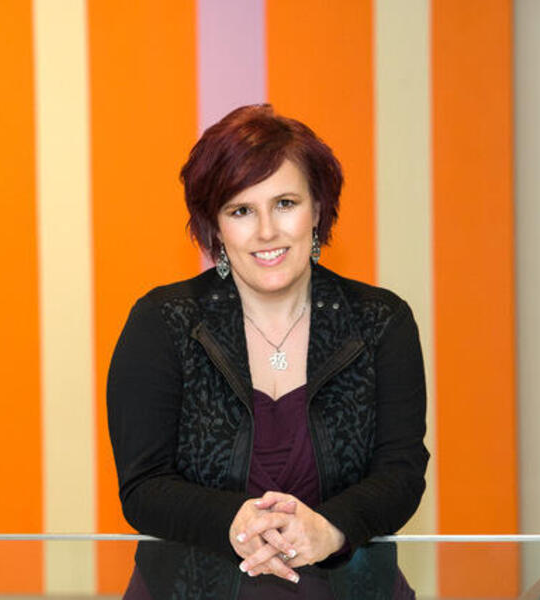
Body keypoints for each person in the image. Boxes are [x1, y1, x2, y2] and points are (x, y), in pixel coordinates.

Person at [107, 104, 428, 599]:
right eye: (241, 210)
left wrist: (331, 529)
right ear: (215, 227)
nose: (266, 231)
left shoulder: (380, 321)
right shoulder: (162, 323)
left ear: (317, 209)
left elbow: (401, 474)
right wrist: (233, 521)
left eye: (285, 203)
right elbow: (143, 486)